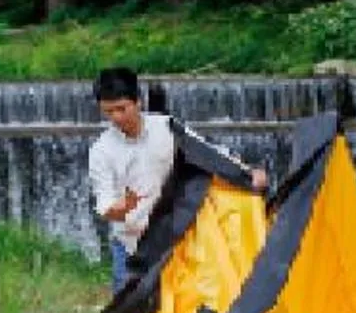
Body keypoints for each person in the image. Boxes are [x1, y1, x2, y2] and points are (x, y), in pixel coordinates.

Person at [90, 65, 267, 294]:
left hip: (174, 240)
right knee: (128, 310)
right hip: (131, 246)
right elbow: (105, 205)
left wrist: (247, 173)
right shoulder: (101, 151)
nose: (116, 117)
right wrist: (124, 207)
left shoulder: (166, 128)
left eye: (121, 109)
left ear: (138, 102)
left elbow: (209, 153)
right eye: (109, 112)